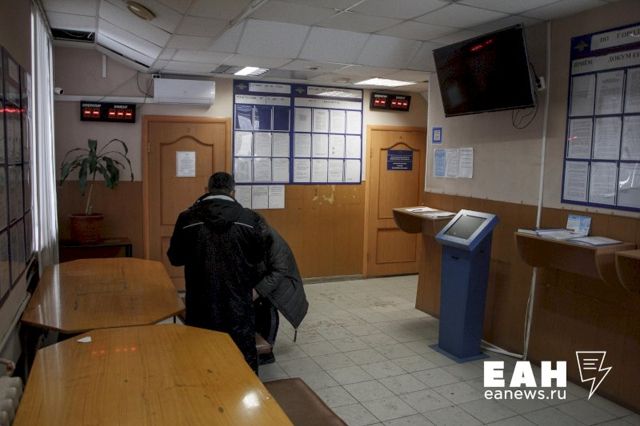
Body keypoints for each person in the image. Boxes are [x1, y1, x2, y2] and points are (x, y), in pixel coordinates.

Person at [167, 172, 266, 372]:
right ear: (233, 192)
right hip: (238, 303)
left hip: (200, 302)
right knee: (240, 360)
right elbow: (258, 259)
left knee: (202, 356)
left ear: (207, 190)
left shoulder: (187, 218)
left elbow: (175, 258)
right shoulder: (250, 218)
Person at [253, 226, 309, 364]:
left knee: (269, 308)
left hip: (280, 282)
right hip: (265, 276)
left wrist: (258, 290)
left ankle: (267, 352)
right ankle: (260, 346)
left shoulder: (270, 239)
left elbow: (279, 270)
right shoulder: (253, 233)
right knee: (259, 309)